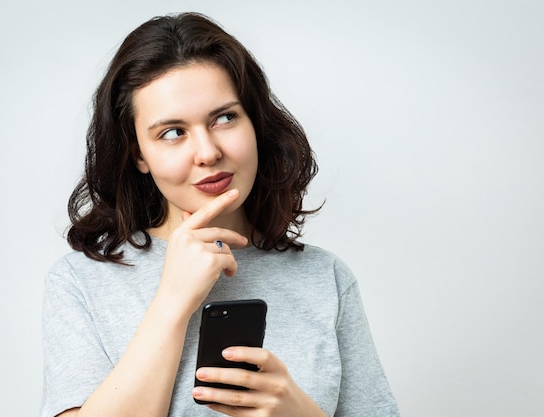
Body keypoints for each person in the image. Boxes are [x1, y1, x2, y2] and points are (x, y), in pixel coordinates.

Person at [41, 12, 400, 417]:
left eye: (225, 117)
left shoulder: (326, 279)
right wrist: (173, 301)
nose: (208, 152)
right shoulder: (81, 282)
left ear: (255, 124)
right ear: (139, 154)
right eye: (172, 132)